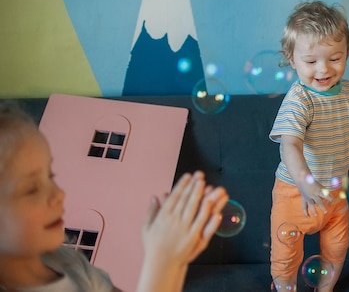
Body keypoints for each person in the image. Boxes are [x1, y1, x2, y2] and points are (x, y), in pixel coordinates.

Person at [0, 100, 229, 292]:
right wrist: (163, 260)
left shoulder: (68, 262)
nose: (59, 194)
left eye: (50, 176)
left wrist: (176, 259)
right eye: (31, 189)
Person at [269, 0, 349, 291]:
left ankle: (325, 288)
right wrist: (306, 182)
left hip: (335, 190)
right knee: (286, 255)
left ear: (347, 53)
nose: (323, 69)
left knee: (337, 247)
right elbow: (290, 146)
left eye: (334, 58)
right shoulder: (300, 100)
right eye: (311, 62)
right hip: (295, 192)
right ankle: (285, 287)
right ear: (292, 58)